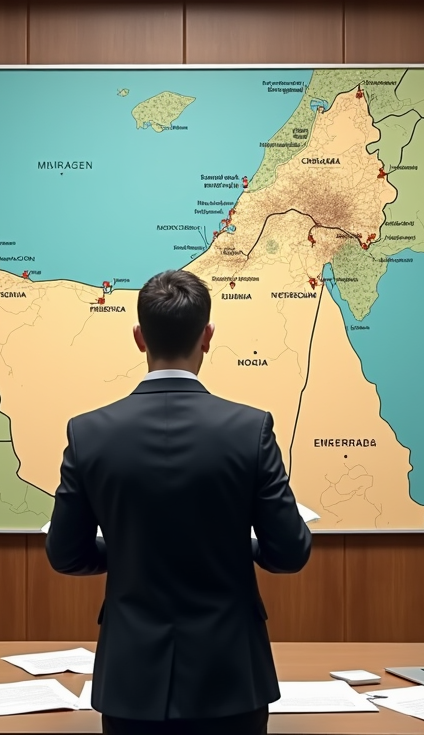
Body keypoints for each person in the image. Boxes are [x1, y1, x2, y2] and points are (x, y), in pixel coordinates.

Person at [46, 268, 312, 735]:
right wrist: (236, 547)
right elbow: (289, 553)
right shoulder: (250, 430)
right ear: (207, 337)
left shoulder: (87, 433)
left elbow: (66, 554)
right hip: (232, 677)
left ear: (138, 338)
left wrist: (128, 552)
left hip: (131, 681)